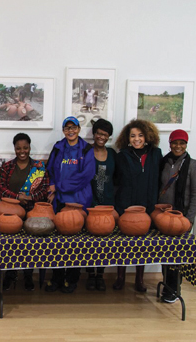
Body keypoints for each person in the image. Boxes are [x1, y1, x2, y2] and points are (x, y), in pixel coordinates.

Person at [45, 116, 96, 294]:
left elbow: (87, 175)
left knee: (76, 242)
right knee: (58, 242)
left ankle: (72, 278)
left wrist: (59, 186)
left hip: (79, 200)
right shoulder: (58, 148)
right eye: (67, 128)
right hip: (59, 201)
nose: (70, 131)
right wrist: (52, 187)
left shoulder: (87, 149)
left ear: (79, 129)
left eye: (73, 127)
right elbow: (50, 170)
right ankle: (57, 277)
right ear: (63, 130)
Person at [0, 133, 50, 291]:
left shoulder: (38, 167)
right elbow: (1, 188)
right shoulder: (7, 167)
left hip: (32, 212)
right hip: (11, 213)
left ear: (29, 147)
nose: (22, 151)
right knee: (11, 246)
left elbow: (44, 188)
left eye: (25, 147)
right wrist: (17, 197)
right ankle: (10, 275)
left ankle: (28, 275)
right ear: (14, 148)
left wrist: (30, 197)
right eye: (18, 148)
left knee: (30, 246)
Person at [114, 119, 162, 293]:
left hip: (147, 205)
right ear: (127, 138)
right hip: (125, 205)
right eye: (133, 135)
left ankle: (140, 279)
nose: (137, 139)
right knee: (123, 244)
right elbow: (116, 182)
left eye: (140, 135)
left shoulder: (156, 154)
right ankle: (120, 277)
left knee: (142, 244)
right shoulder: (122, 155)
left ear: (148, 136)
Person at [158, 129, 196, 303]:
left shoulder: (193, 165)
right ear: (169, 144)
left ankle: (173, 290)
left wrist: (189, 219)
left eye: (181, 143)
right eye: (175, 142)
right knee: (164, 253)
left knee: (177, 255)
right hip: (163, 216)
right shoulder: (164, 162)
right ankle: (167, 285)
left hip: (181, 217)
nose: (178, 146)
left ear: (186, 144)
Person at [86, 118, 116, 292]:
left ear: (109, 136)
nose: (101, 137)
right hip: (90, 202)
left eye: (105, 134)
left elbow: (118, 179)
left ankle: (100, 275)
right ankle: (90, 274)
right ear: (94, 133)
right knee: (90, 242)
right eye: (98, 133)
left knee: (105, 242)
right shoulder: (86, 151)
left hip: (107, 202)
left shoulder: (112, 155)